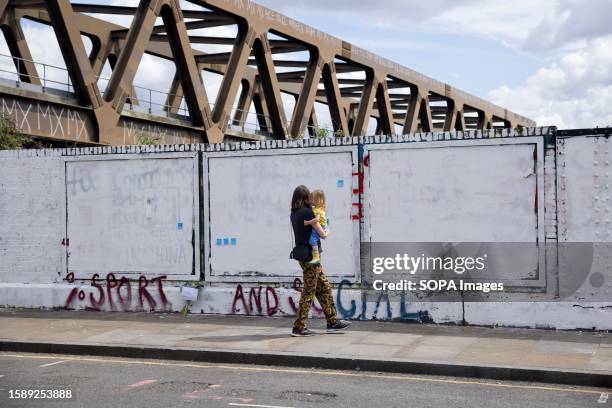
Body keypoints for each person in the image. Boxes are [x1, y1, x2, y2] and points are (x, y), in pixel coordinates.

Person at [290, 185, 350, 337]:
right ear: (306, 197)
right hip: (312, 257)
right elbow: (321, 233)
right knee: (309, 291)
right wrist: (327, 229)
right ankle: (299, 327)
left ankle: (333, 321)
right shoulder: (308, 212)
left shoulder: (294, 213)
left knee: (324, 287)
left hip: (304, 257)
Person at [308, 189, 328, 265]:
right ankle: (316, 257)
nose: (310, 201)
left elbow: (316, 219)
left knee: (312, 240)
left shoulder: (318, 210)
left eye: (312, 199)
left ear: (317, 200)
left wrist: (307, 222)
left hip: (320, 226)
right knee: (313, 240)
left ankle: (316, 258)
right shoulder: (319, 208)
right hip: (323, 226)